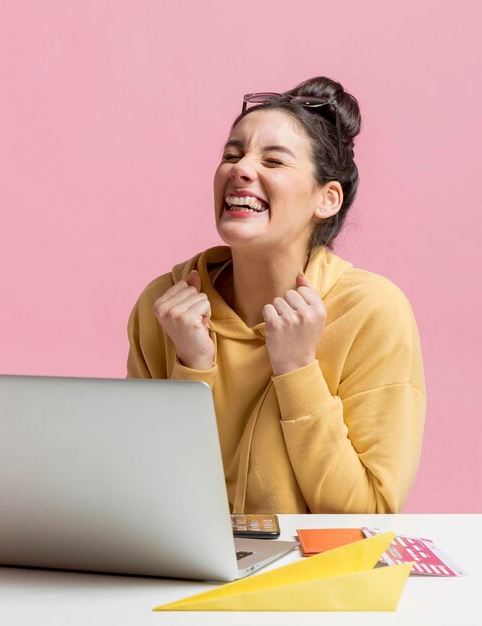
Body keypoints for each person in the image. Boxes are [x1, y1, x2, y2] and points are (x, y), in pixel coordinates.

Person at [126, 76, 425, 514]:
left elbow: (367, 513)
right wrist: (193, 367)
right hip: (184, 576)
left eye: (274, 160)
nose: (240, 170)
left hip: (309, 576)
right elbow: (142, 498)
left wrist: (297, 369)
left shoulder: (371, 312)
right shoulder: (167, 305)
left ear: (327, 199)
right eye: (232, 154)